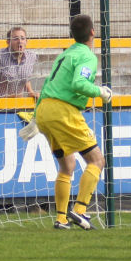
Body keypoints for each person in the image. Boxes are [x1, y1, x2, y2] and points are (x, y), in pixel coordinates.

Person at [23, 14, 112, 230]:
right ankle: (80, 211)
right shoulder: (87, 56)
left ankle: (61, 219)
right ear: (93, 32)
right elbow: (79, 83)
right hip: (63, 110)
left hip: (45, 109)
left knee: (67, 165)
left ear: (72, 35)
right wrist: (100, 91)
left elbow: (47, 84)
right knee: (97, 160)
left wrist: (37, 117)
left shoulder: (66, 54)